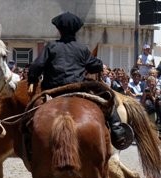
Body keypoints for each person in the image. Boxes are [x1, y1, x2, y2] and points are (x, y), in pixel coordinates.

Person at [27, 11, 130, 150]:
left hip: (52, 91)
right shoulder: (82, 48)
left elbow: (36, 66)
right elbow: (96, 66)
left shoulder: (51, 46)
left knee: (29, 115)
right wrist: (98, 64)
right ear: (76, 30)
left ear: (58, 29)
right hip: (78, 89)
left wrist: (32, 79)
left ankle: (27, 141)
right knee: (107, 99)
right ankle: (117, 131)